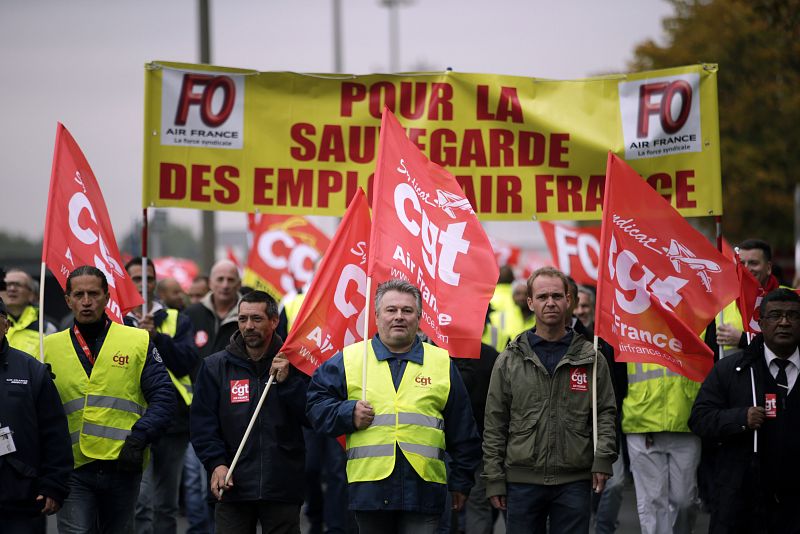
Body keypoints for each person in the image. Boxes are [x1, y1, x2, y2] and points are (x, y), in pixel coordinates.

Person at [306, 279, 481, 534]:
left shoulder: (441, 363)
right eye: (391, 310)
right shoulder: (351, 359)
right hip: (370, 494)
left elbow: (463, 429)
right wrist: (348, 413)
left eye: (407, 310)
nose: (399, 317)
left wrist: (461, 482)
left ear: (419, 317)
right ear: (376, 316)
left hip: (424, 494)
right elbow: (314, 405)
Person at [482, 267, 617, 534]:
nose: (551, 303)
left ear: (569, 300)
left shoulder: (591, 357)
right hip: (521, 481)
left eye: (557, 295)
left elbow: (605, 412)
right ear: (530, 302)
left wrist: (603, 459)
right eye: (542, 297)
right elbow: (495, 422)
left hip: (574, 480)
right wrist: (494, 478)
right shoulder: (510, 359)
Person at [43, 265, 175, 534]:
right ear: (67, 300)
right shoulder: (47, 348)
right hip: (73, 467)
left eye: (94, 293)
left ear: (107, 297)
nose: (87, 301)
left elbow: (164, 397)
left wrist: (140, 437)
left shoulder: (137, 340)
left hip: (122, 464)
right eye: (79, 295)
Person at [190, 290, 308, 533]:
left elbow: (312, 416)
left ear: (274, 321)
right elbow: (202, 425)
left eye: (256, 319)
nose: (248, 326)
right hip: (233, 485)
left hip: (281, 486)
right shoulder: (214, 367)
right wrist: (217, 464)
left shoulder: (295, 363)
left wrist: (289, 383)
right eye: (243, 319)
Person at [690, 288, 800, 533]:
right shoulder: (732, 370)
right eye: (775, 316)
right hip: (743, 502)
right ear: (760, 323)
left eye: (792, 315)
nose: (784, 322)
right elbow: (699, 419)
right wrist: (740, 418)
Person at [125, 258, 199, 534]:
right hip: (134, 420)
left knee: (165, 505)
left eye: (149, 278)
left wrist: (158, 337)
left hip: (173, 422)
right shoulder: (118, 321)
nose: (143, 284)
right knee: (141, 502)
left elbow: (186, 361)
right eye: (136, 278)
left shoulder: (178, 319)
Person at [0, 297, 73, 534]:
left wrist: (53, 485)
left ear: (6, 325)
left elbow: (54, 432)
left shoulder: (32, 370)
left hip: (21, 495)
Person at [708, 239, 787, 357]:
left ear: (769, 267)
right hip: (735, 375)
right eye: (741, 263)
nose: (745, 269)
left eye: (753, 263)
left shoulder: (791, 298)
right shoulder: (723, 301)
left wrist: (744, 339)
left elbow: (791, 341)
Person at [184, 261, 242, 359]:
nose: (225, 285)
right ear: (210, 283)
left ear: (239, 284)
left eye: (231, 280)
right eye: (220, 279)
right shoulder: (191, 313)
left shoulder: (248, 315)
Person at [2, 269, 56, 357]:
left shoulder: (46, 328)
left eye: (17, 285)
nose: (12, 289)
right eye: (7, 285)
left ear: (32, 295)